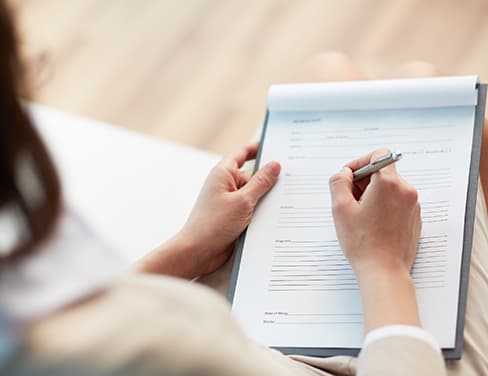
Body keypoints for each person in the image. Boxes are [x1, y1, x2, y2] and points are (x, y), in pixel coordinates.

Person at [0, 2, 487, 375]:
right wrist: (383, 264)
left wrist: (191, 248)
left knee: (330, 73)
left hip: (257, 345)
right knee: (436, 91)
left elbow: (76, 317)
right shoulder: (121, 346)